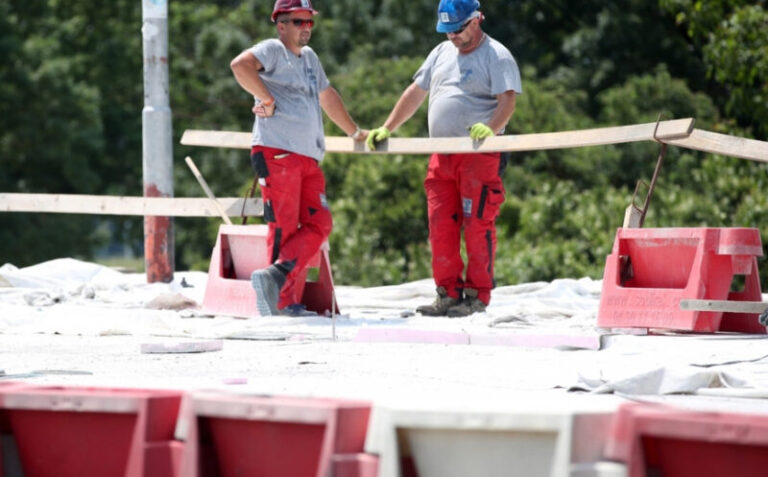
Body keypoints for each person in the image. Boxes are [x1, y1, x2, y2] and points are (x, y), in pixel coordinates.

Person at [367, 0, 521, 317]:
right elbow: (415, 92)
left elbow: (507, 101)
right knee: (441, 226)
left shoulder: (497, 55)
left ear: (476, 20)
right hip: (441, 155)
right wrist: (387, 126)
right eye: (447, 30)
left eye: (458, 30)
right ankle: (448, 293)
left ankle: (478, 297)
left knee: (478, 226)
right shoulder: (440, 53)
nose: (453, 37)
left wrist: (492, 128)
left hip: (478, 155)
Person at [230, 0, 366, 316]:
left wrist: (353, 131)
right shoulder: (272, 49)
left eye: (309, 22)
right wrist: (266, 98)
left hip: (307, 157)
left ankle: (276, 277)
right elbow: (239, 65)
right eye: (298, 21)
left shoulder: (309, 58)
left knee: (320, 223)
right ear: (281, 24)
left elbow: (327, 96)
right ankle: (281, 302)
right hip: (277, 152)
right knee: (284, 228)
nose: (305, 27)